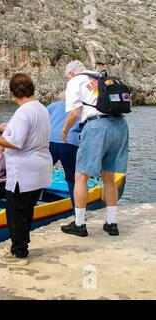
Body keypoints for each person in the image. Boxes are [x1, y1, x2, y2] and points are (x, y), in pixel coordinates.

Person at [0, 73, 52, 266]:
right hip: (40, 166)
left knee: (15, 212)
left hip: (23, 171)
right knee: (27, 209)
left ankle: (19, 253)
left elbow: (15, 142)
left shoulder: (23, 112)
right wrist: (7, 126)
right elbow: (28, 131)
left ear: (13, 94)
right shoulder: (41, 108)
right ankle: (23, 244)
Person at [60, 60, 129, 237]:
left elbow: (75, 113)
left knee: (81, 176)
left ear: (71, 73)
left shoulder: (74, 81)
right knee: (109, 176)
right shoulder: (101, 77)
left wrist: (65, 130)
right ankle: (112, 223)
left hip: (97, 127)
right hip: (120, 125)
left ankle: (80, 224)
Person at [46, 91, 80, 206]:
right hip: (70, 142)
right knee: (72, 178)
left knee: (41, 174)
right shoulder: (79, 108)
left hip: (50, 142)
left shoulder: (52, 106)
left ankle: (31, 204)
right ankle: (77, 210)